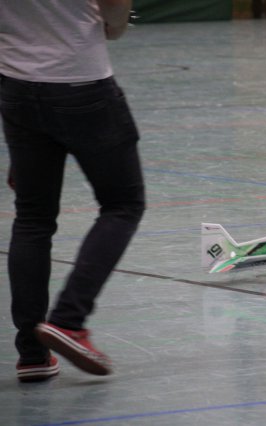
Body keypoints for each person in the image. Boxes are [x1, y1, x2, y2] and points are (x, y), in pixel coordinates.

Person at [1, 0, 145, 382]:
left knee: (32, 218)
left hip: (17, 88)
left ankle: (32, 353)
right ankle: (68, 321)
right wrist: (116, 25)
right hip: (83, 85)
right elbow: (115, 8)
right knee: (123, 205)